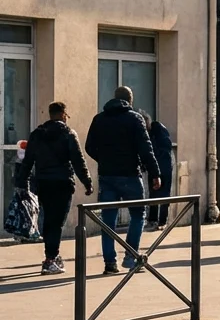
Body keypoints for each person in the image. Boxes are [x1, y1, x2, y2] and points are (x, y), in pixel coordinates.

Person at [84, 86, 161, 275]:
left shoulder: (99, 119)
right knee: (138, 214)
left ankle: (110, 263)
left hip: (107, 176)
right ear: (130, 100)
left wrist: (103, 160)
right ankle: (131, 256)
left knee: (107, 220)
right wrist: (154, 173)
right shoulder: (135, 119)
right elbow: (146, 148)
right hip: (130, 175)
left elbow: (89, 146)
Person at [14, 102, 93, 275]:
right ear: (64, 114)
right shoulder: (68, 134)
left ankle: (51, 255)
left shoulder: (37, 134)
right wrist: (87, 182)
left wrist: (22, 184)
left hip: (43, 183)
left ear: (50, 114)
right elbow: (78, 161)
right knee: (56, 222)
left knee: (49, 219)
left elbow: (27, 162)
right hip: (62, 183)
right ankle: (51, 259)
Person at [141, 110, 173, 232]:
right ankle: (152, 219)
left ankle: (163, 221)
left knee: (164, 194)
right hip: (153, 167)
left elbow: (165, 147)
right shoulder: (145, 134)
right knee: (153, 193)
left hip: (164, 166)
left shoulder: (158, 128)